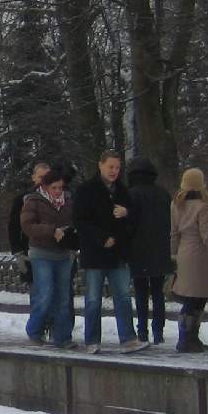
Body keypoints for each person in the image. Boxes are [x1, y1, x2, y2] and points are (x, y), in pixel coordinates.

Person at [72, 150, 148, 354]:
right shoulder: (86, 190)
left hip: (118, 253)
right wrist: (100, 238)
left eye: (117, 167)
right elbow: (80, 220)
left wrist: (127, 213)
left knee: (123, 296)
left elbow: (135, 222)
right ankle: (92, 340)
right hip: (95, 253)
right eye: (111, 167)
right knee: (93, 298)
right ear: (101, 165)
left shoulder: (124, 191)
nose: (114, 171)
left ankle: (128, 338)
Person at [169, 168, 208, 353]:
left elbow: (173, 234)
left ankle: (186, 338)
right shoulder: (203, 206)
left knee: (190, 299)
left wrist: (174, 254)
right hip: (200, 257)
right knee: (197, 300)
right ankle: (189, 339)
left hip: (184, 255)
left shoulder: (176, 204)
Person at [19, 168, 77, 349]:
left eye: (60, 187)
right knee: (44, 294)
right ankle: (34, 330)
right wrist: (51, 231)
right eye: (54, 188)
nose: (58, 191)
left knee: (64, 297)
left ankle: (62, 336)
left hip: (63, 253)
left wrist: (70, 234)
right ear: (45, 186)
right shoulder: (33, 201)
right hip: (41, 252)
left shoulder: (68, 201)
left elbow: (76, 221)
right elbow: (27, 226)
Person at [126, 157, 172, 344]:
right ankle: (158, 331)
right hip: (160, 250)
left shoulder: (130, 194)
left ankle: (142, 330)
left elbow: (128, 224)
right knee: (158, 293)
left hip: (138, 250)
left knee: (141, 293)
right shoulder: (163, 194)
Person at [7, 161, 52, 284]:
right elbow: (14, 227)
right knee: (38, 292)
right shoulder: (22, 200)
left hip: (57, 253)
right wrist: (18, 252)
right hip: (31, 253)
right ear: (33, 178)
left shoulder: (61, 198)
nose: (44, 181)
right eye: (40, 177)